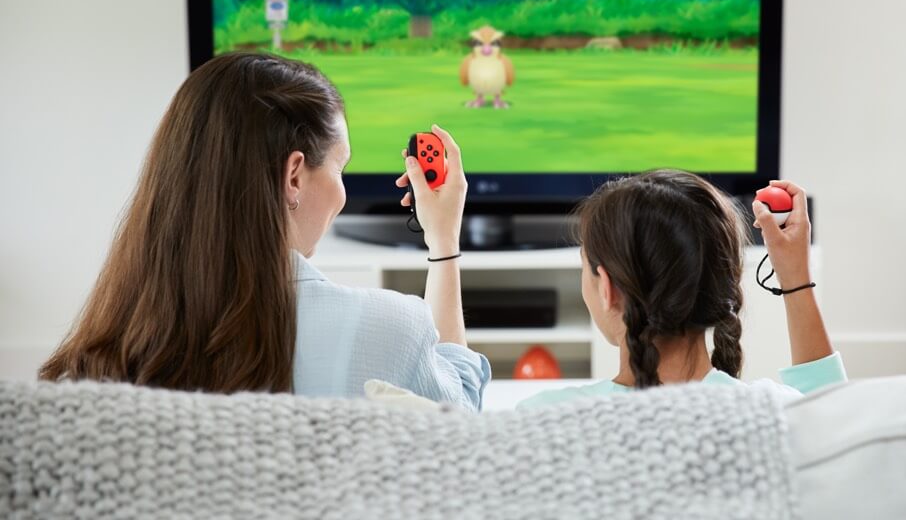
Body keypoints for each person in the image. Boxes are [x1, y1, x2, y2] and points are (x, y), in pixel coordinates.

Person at [39, 52, 490, 410]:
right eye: (340, 168)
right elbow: (458, 425)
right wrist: (443, 242)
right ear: (294, 176)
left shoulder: (106, 350)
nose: (342, 193)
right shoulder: (392, 330)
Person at [517, 170, 845, 408]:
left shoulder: (544, 415)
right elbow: (832, 415)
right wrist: (795, 278)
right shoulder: (776, 411)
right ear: (724, 282)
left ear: (607, 288)